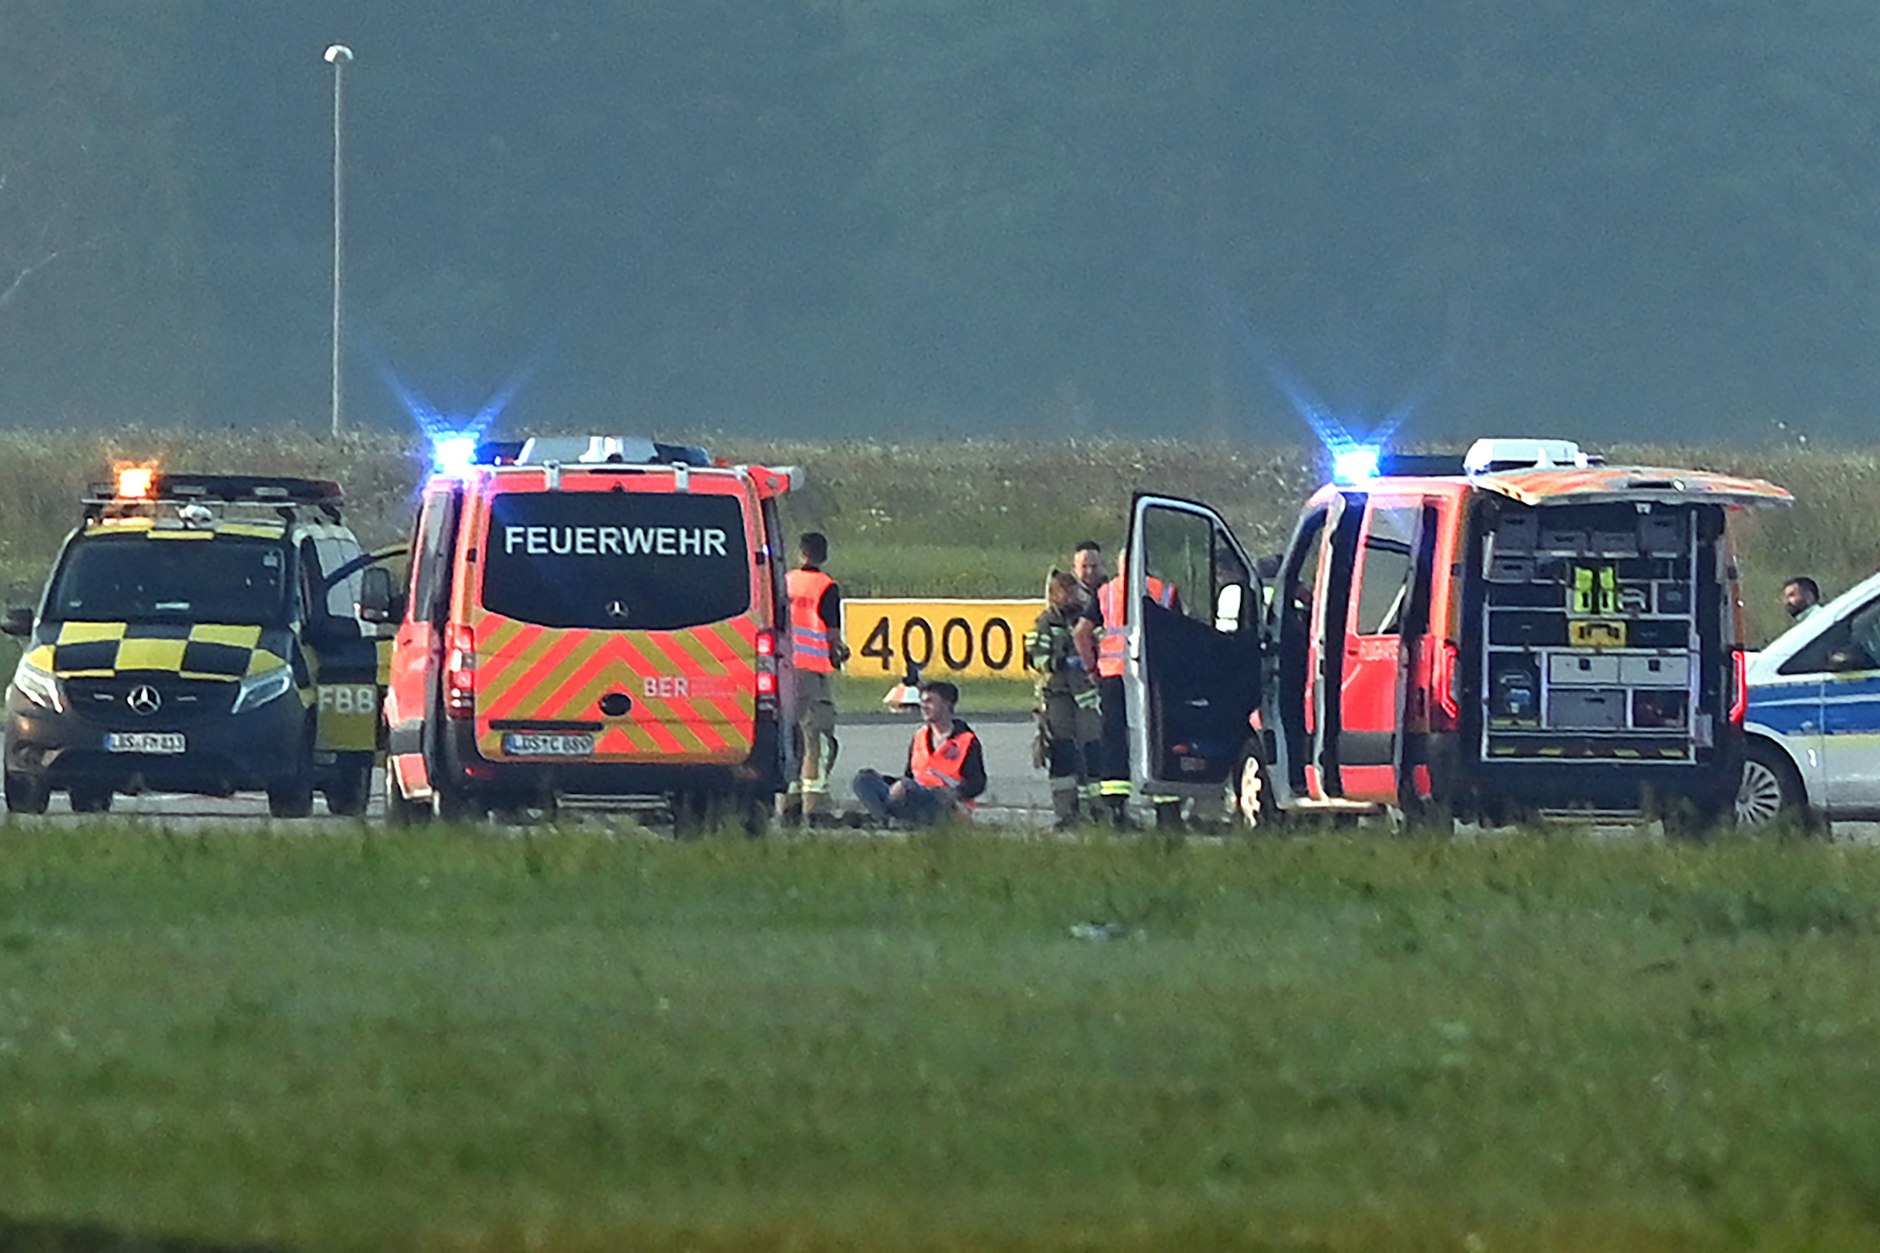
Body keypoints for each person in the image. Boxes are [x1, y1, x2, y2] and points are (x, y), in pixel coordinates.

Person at [1094, 549, 1180, 828]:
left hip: (1113, 676)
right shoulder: (1162, 591)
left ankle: (1115, 811)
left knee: (1114, 739)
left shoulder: (1106, 592)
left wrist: (1089, 666)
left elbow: (1082, 631)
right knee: (1158, 737)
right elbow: (1182, 630)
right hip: (1152, 675)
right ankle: (1167, 811)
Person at [1026, 570, 1103, 829]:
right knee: (1062, 752)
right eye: (1066, 591)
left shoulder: (1086, 617)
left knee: (1093, 749)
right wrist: (1061, 662)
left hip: (1086, 695)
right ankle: (1066, 812)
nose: (1072, 596)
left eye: (1074, 590)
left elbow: (1101, 643)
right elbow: (1036, 659)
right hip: (1057, 695)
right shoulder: (1046, 623)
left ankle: (1099, 808)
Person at [852, 680, 986, 826]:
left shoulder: (966, 740)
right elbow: (910, 776)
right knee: (863, 779)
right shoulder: (919, 736)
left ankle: (887, 817)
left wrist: (952, 795)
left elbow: (977, 783)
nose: (923, 707)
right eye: (922, 702)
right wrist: (890, 781)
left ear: (947, 704)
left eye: (930, 702)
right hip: (913, 796)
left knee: (909, 788)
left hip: (943, 804)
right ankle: (886, 818)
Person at [783, 532, 848, 826]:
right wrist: (839, 652)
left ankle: (788, 800)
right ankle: (815, 804)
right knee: (817, 737)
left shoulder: (785, 581)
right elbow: (832, 635)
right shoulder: (826, 587)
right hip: (812, 669)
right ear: (823, 555)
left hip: (783, 667)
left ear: (801, 553)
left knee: (789, 734)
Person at [1070, 540, 1106, 674]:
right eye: (1084, 567)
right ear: (1074, 568)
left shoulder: (1111, 593)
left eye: (1094, 566)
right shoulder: (1063, 596)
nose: (1090, 572)